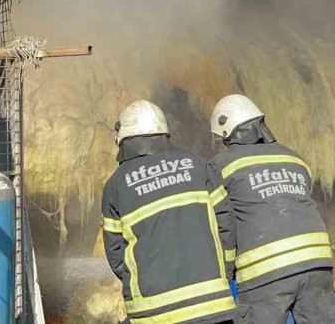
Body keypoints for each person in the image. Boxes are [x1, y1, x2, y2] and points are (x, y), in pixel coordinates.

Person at [207, 94, 335, 324]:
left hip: (266, 271)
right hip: (317, 262)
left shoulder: (219, 166)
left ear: (226, 132)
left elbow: (224, 226)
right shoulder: (294, 158)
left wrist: (226, 271)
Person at [101, 100, 236, 323]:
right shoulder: (196, 163)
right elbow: (225, 223)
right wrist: (224, 271)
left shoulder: (115, 185)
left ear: (124, 139)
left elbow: (116, 254)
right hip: (212, 305)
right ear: (164, 133)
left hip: (153, 313)